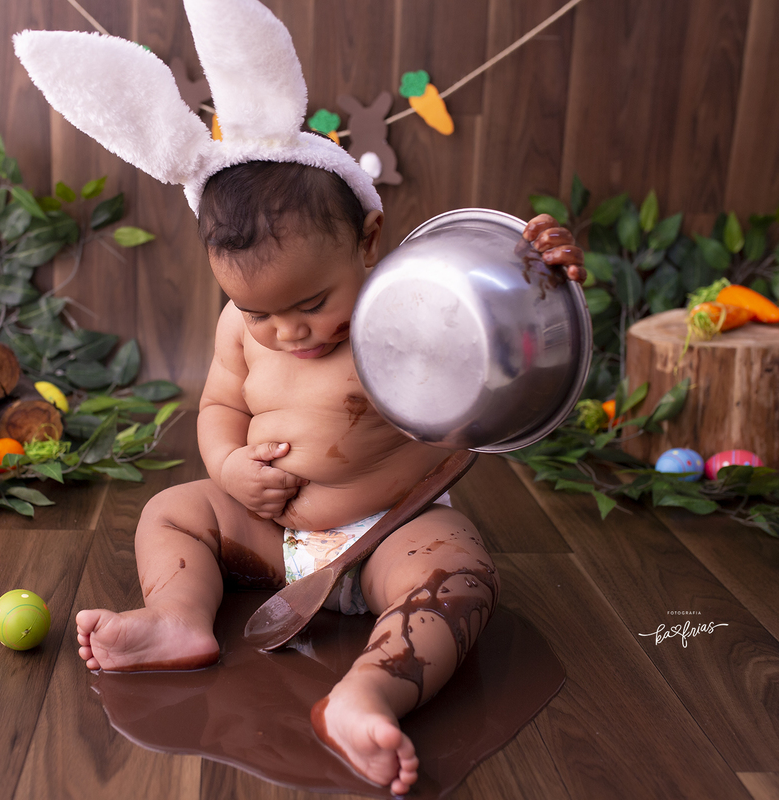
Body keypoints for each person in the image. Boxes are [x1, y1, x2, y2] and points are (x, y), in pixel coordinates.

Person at [75, 160, 585, 795]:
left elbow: (498, 332)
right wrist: (230, 470)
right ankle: (178, 617)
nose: (288, 332)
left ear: (368, 241)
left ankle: (369, 692)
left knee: (459, 573)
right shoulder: (239, 327)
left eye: (312, 303)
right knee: (172, 511)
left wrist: (536, 271)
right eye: (258, 311)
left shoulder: (413, 309)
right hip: (269, 533)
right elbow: (220, 408)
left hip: (391, 533)